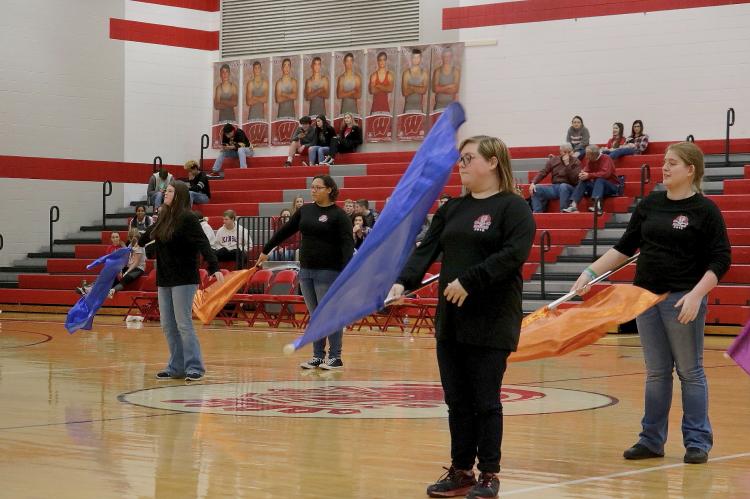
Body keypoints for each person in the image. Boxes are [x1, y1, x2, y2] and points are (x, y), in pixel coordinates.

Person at [386, 135, 535, 499]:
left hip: (492, 319)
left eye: (469, 158)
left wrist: (470, 280)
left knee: (486, 400)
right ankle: (461, 469)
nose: (462, 165)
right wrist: (402, 282)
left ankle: (489, 473)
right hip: (451, 321)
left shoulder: (513, 208)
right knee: (457, 401)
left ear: (493, 162)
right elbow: (426, 250)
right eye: (461, 159)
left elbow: (512, 255)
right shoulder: (452, 208)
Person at [571, 142, 731, 465]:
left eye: (673, 163)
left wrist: (697, 295)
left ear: (691, 170)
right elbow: (625, 247)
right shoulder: (650, 204)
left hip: (681, 300)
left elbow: (720, 260)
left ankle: (697, 442)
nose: (665, 167)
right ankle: (651, 440)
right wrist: (590, 272)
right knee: (656, 373)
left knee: (690, 371)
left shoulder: (706, 211)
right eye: (664, 162)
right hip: (644, 297)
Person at [257, 174, 354, 370]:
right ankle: (318, 356)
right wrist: (266, 249)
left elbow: (347, 246)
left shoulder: (339, 215)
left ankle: (335, 356)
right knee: (315, 315)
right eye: (312, 187)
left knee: (329, 314)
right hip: (306, 270)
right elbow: (285, 231)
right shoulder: (305, 211)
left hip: (329, 271)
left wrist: (347, 273)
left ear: (329, 190)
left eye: (318, 187)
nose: (314, 190)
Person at [139, 181, 223, 382]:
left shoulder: (188, 218)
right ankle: (176, 366)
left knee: (183, 323)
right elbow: (145, 238)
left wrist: (214, 267)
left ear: (178, 195)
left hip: (184, 278)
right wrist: (132, 243)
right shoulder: (164, 217)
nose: (165, 193)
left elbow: (203, 243)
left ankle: (194, 366)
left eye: (168, 191)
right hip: (165, 278)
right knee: (168, 325)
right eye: (165, 190)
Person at [564, 145, 619, 214]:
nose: (586, 156)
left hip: (611, 187)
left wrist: (589, 175)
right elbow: (586, 171)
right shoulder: (590, 160)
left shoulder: (606, 158)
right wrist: (582, 174)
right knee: (584, 180)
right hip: (598, 187)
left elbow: (605, 174)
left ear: (593, 155)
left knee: (600, 179)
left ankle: (597, 206)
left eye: (587, 155)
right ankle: (573, 205)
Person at [529, 143, 582, 213]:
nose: (567, 154)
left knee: (563, 186)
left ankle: (563, 211)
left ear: (572, 151)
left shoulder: (576, 161)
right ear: (560, 152)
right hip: (555, 187)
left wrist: (567, 165)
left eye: (569, 152)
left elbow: (575, 180)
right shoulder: (554, 160)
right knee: (536, 188)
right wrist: (533, 182)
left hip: (569, 187)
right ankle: (537, 213)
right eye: (565, 152)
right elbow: (543, 172)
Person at [109, 228, 146, 299]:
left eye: (133, 237)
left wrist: (127, 272)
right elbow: (126, 259)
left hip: (138, 268)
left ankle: (112, 290)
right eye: (131, 237)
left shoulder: (139, 246)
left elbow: (136, 263)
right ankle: (101, 288)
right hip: (130, 266)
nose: (132, 239)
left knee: (125, 278)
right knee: (113, 273)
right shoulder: (130, 245)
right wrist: (120, 269)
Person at [432, 46, 461, 111]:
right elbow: (435, 89)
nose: (447, 58)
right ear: (442, 57)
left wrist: (441, 88)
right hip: (438, 107)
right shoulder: (437, 71)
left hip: (451, 108)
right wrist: (449, 86)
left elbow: (455, 90)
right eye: (445, 56)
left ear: (452, 57)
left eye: (449, 56)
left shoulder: (456, 71)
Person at [402, 49, 429, 113]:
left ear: (420, 58)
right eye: (414, 57)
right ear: (411, 58)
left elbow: (423, 91)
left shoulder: (424, 74)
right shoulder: (406, 73)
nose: (416, 59)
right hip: (407, 108)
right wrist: (419, 87)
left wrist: (411, 87)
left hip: (419, 109)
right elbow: (405, 92)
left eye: (418, 57)